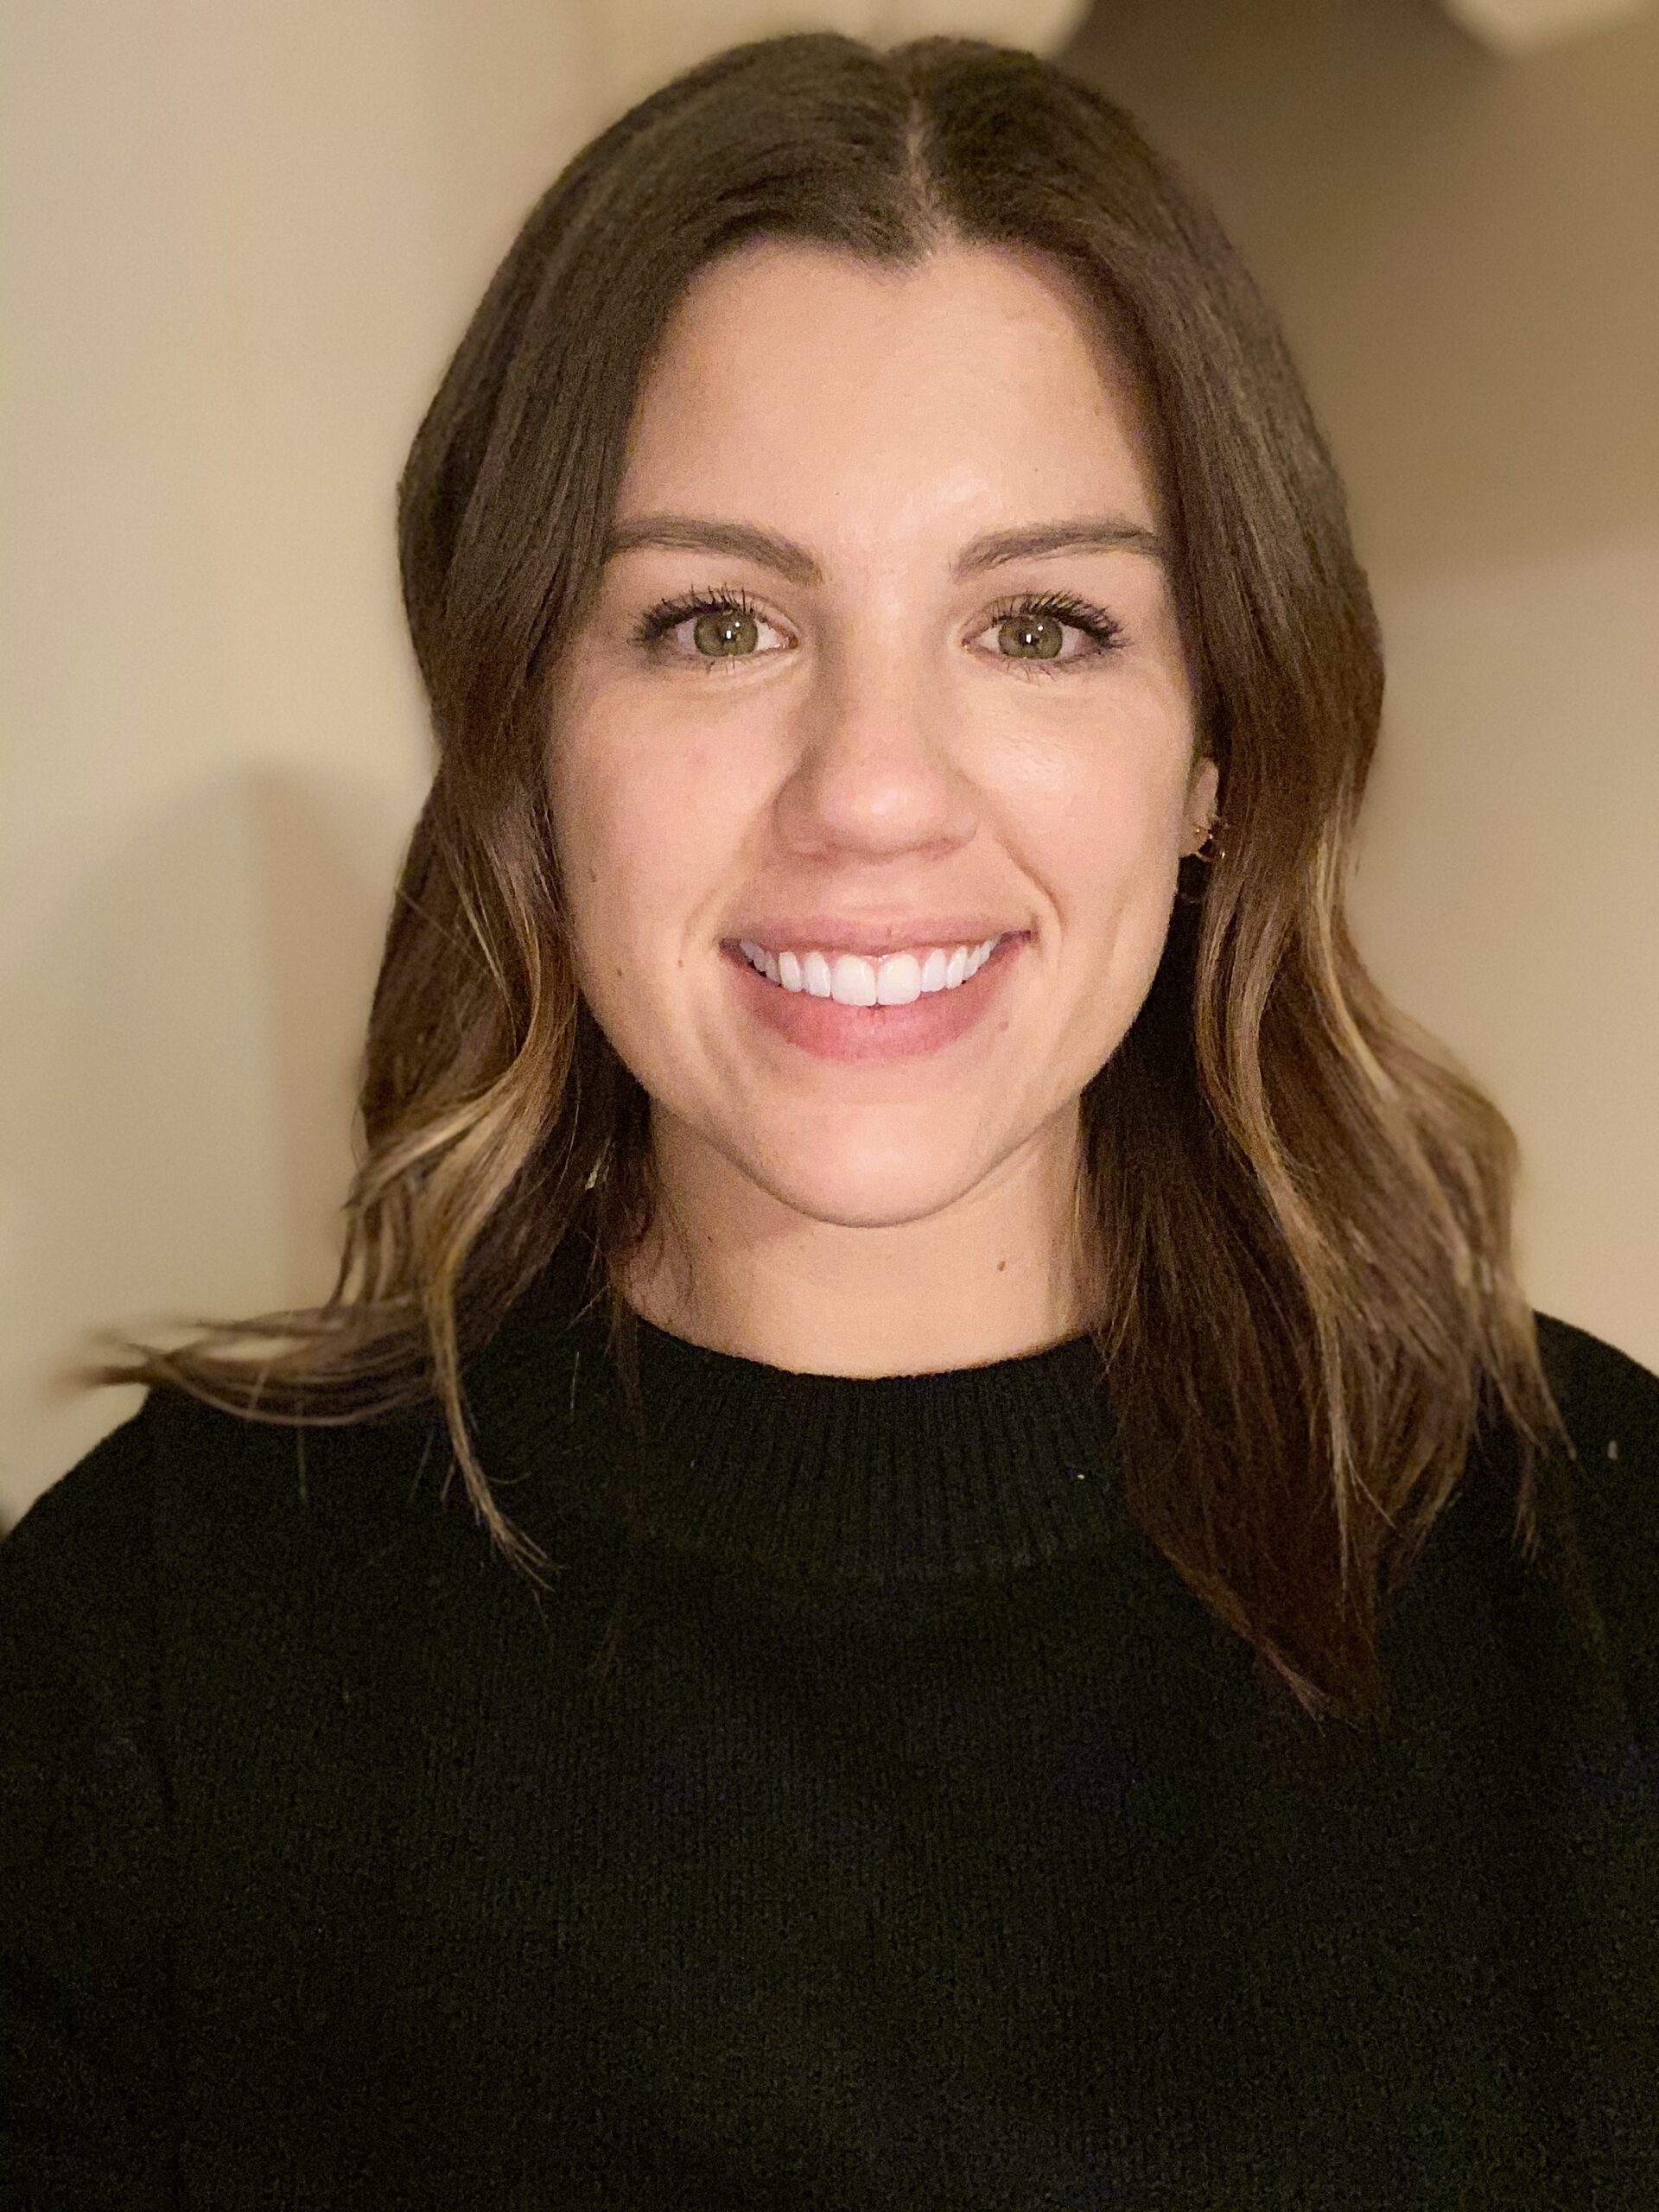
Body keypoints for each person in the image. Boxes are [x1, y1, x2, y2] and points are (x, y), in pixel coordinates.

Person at [3, 29, 1655, 2209]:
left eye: (1043, 624)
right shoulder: (147, 1662)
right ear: (525, 731)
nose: (873, 789)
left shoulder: (1596, 1592)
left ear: (1217, 753)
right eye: (713, 620)